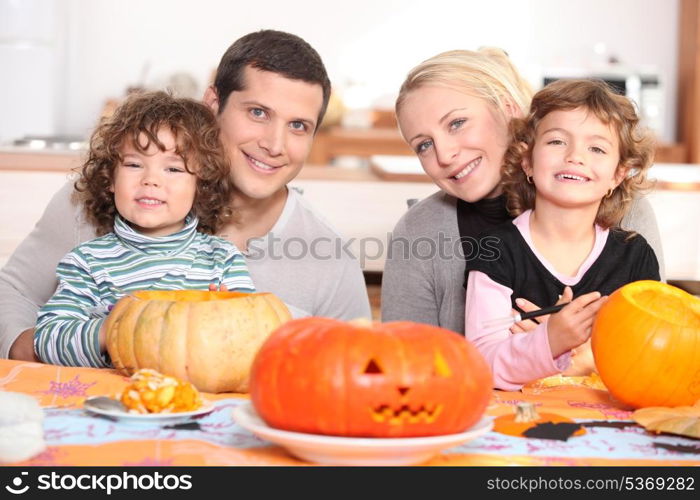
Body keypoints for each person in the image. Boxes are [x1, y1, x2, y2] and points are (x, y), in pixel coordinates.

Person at [1, 30, 370, 361]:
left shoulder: (331, 260)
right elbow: (12, 292)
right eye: (258, 112)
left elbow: (352, 367)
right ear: (213, 103)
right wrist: (38, 348)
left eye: (298, 126)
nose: (274, 145)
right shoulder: (105, 197)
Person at [382, 48, 665, 334]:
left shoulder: (628, 211)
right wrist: (523, 353)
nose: (444, 154)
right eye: (424, 145)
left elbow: (655, 344)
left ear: (509, 110)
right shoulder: (419, 229)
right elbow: (406, 361)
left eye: (457, 123)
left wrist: (560, 350)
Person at [34, 91, 256, 367]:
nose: (151, 180)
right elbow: (47, 341)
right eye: (134, 164)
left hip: (197, 397)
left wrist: (225, 318)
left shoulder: (222, 259)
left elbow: (251, 336)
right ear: (110, 178)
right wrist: (111, 329)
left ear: (200, 186)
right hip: (114, 398)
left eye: (173, 169)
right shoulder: (88, 263)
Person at [464, 79, 660, 390]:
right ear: (527, 160)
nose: (575, 156)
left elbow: (653, 360)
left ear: (617, 175)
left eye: (596, 148)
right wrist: (553, 340)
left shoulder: (635, 257)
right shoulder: (494, 250)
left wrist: (580, 357)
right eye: (557, 141)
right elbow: (481, 361)